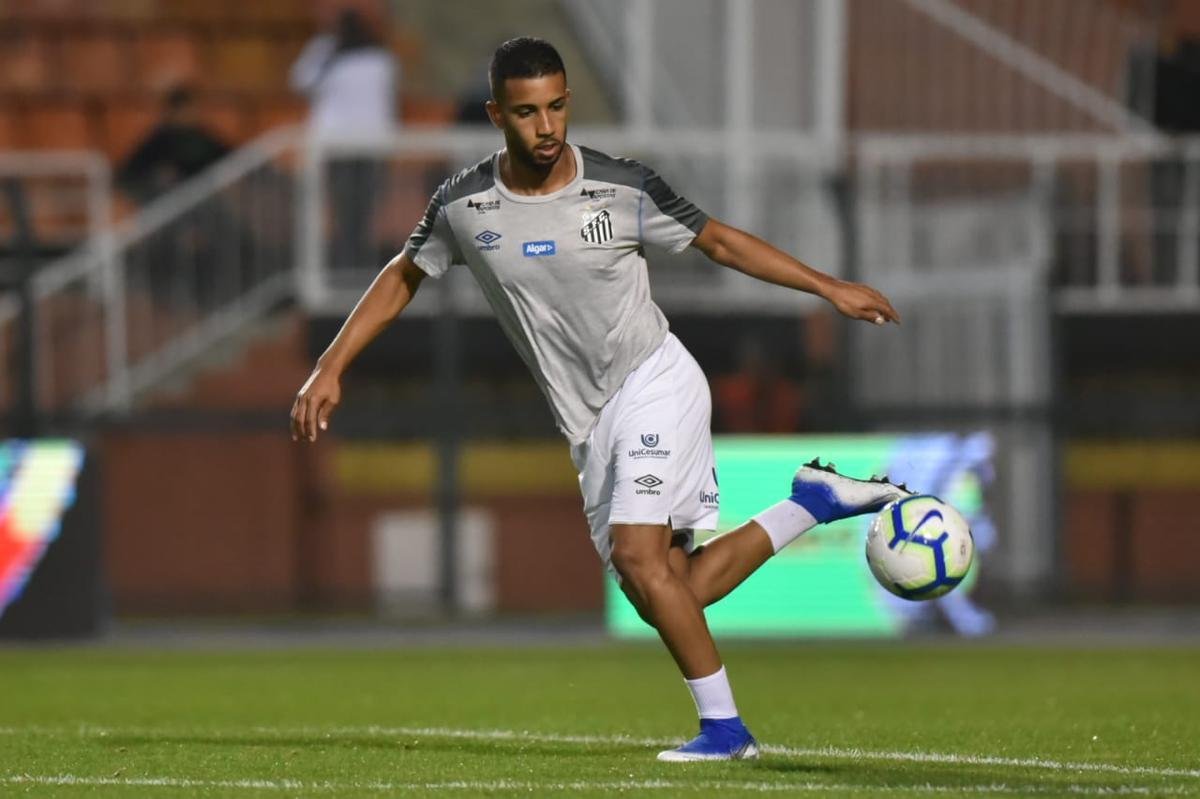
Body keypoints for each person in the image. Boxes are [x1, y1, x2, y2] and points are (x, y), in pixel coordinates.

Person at [291, 37, 907, 762]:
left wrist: (828, 286)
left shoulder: (622, 187)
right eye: (526, 113)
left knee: (640, 557)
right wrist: (331, 362)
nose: (546, 127)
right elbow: (403, 273)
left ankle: (726, 730)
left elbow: (720, 243)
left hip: (654, 380)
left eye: (557, 106)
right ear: (496, 114)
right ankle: (814, 501)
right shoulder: (464, 205)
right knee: (671, 590)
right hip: (588, 421)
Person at [290, 7, 398, 270]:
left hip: (357, 145)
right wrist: (326, 51)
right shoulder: (331, 53)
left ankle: (353, 262)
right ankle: (349, 261)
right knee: (352, 211)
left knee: (355, 211)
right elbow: (300, 81)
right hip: (347, 146)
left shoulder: (377, 60)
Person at [116, 85, 230, 204]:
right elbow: (130, 174)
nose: (184, 116)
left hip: (204, 199)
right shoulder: (160, 138)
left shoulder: (203, 137)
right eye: (179, 111)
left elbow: (234, 163)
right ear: (170, 113)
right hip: (165, 202)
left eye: (188, 110)